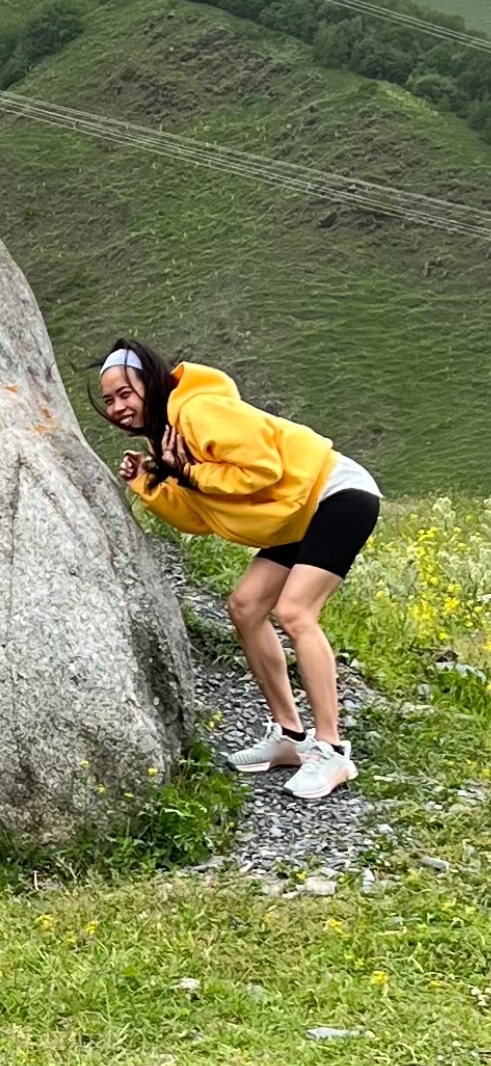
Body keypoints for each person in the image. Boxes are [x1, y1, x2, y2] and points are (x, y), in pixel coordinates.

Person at [96, 339, 381, 801]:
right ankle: (290, 737)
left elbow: (262, 469)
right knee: (246, 607)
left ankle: (332, 750)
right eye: (109, 400)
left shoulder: (198, 410)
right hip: (297, 515)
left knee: (295, 612)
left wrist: (189, 473)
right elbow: (200, 517)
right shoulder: (166, 433)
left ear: (150, 384)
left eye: (125, 394)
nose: (117, 407)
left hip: (336, 494)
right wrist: (152, 481)